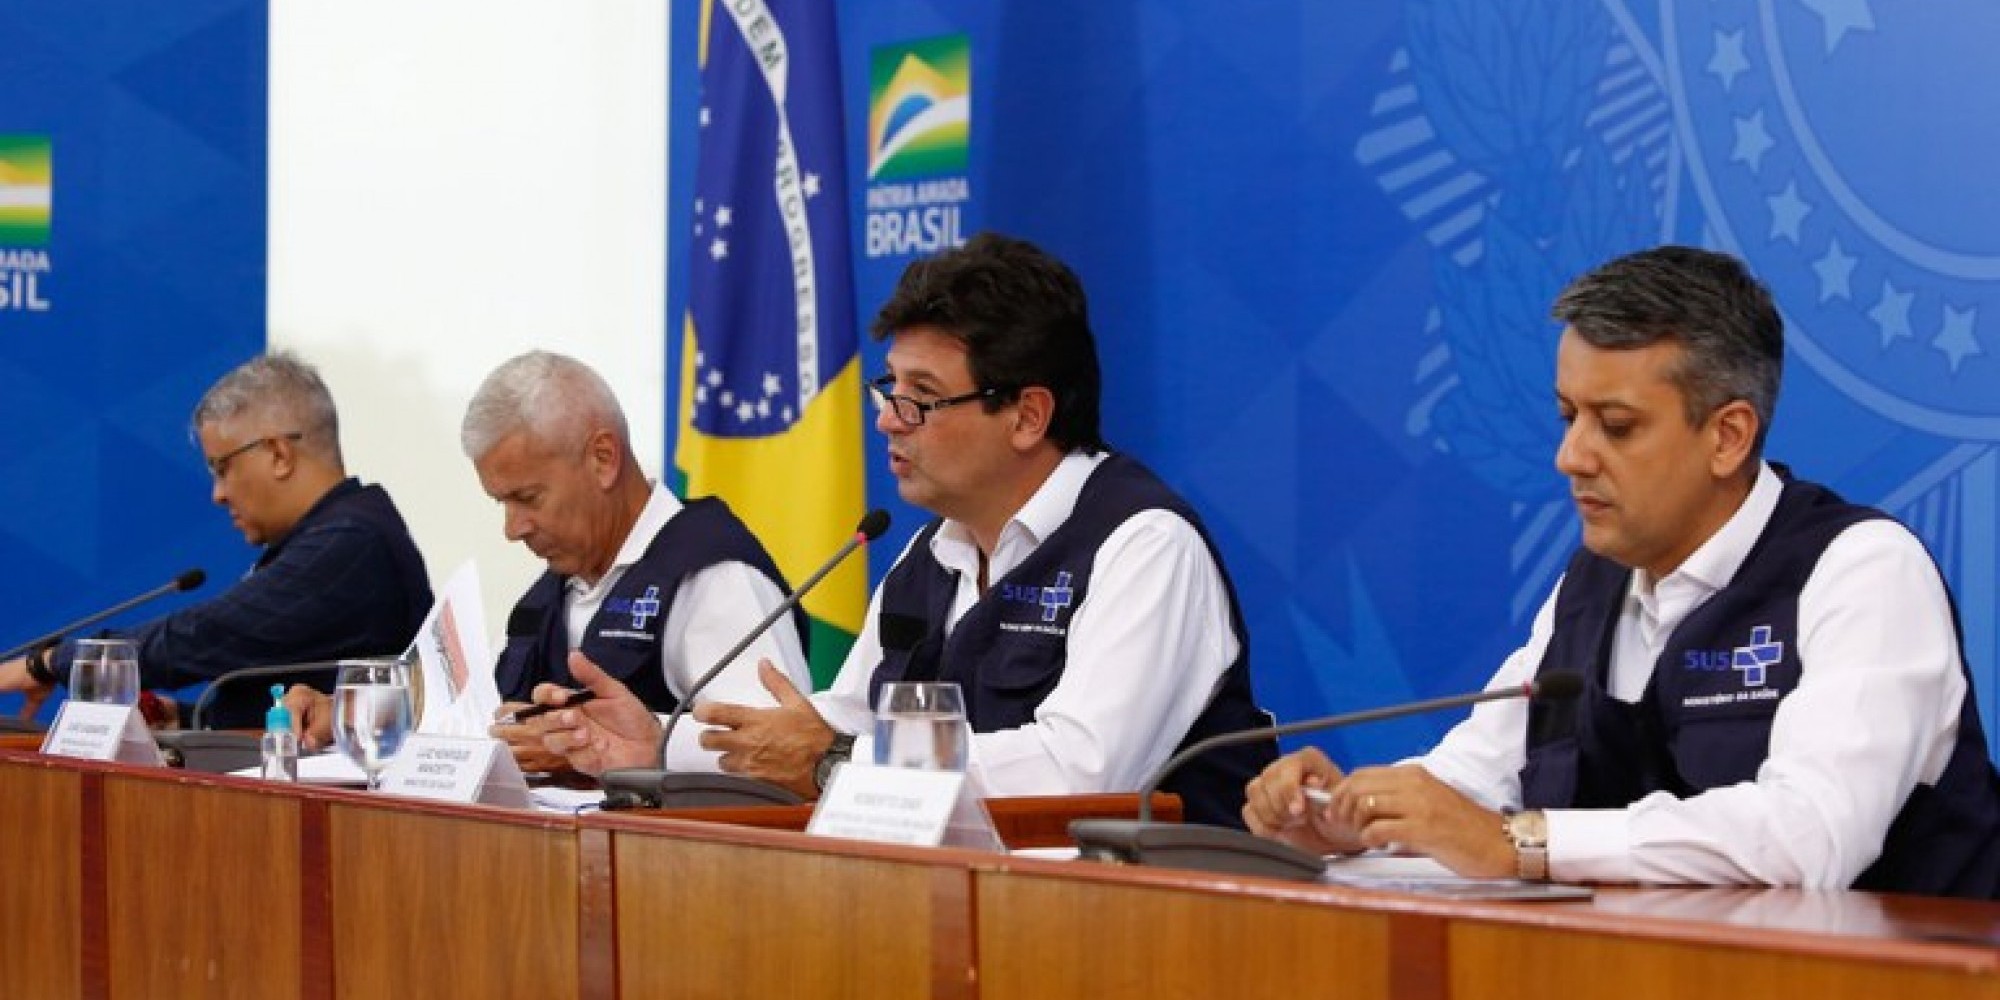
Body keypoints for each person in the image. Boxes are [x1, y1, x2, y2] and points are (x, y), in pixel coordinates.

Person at [1243, 246, 2000, 898]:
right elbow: (1474, 783)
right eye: (1567, 415)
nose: (1570, 456)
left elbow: (1811, 837)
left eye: (1615, 426)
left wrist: (1523, 844)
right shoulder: (1593, 583)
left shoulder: (1860, 570)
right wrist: (1348, 818)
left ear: (1729, 436)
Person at [519, 233, 1276, 826]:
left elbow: (1080, 770)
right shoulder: (928, 552)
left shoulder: (1142, 545)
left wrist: (842, 757)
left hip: (1157, 936)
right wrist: (659, 737)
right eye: (890, 387)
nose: (887, 418)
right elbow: (837, 723)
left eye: (922, 397)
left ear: (1027, 414)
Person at [290, 351, 811, 774]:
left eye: (529, 498)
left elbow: (774, 749)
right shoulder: (551, 592)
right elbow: (472, 717)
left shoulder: (712, 575)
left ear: (603, 459)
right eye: (503, 504)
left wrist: (608, 744)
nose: (512, 530)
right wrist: (346, 718)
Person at [0, 351, 433, 729]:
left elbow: (204, 637)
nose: (217, 494)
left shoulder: (350, 544)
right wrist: (189, 719)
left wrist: (51, 663)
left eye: (221, 468)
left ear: (279, 454)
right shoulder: (341, 532)